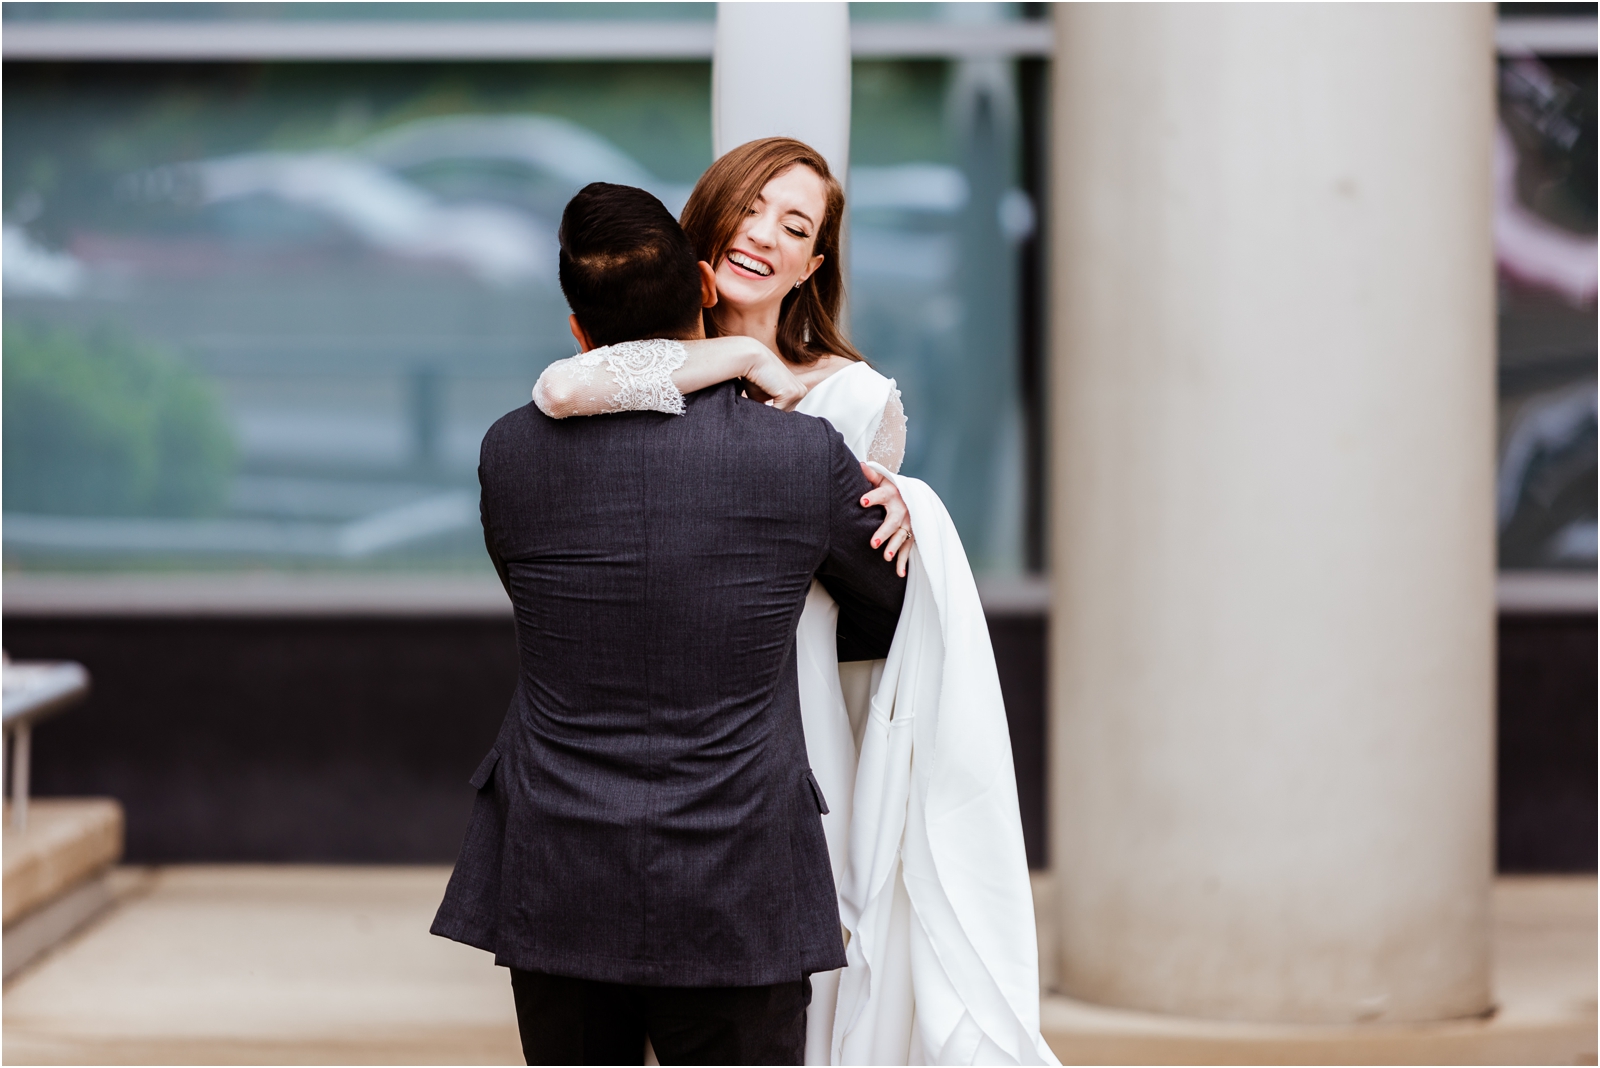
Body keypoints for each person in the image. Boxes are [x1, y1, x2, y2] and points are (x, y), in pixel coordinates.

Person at [532, 139, 1059, 1065]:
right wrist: (740, 355)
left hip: (794, 725)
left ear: (814, 265)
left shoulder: (851, 399)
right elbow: (562, 387)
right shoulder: (626, 376)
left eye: (797, 226)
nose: (765, 235)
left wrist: (915, 514)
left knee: (800, 997)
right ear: (710, 217)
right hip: (627, 762)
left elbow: (879, 602)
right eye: (753, 206)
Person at [430, 180, 907, 1066]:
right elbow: (892, 602)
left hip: (559, 862)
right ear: (703, 287)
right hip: (739, 871)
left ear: (578, 330)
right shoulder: (801, 456)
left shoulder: (509, 454)